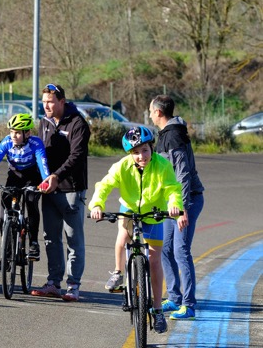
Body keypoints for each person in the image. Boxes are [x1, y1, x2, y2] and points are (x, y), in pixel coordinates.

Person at [89, 126, 188, 334]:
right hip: (129, 207)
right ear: (129, 154)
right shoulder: (122, 166)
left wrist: (174, 205)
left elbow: (172, 188)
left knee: (154, 260)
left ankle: (158, 311)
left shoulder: (162, 165)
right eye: (135, 152)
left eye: (144, 150)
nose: (141, 156)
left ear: (151, 147)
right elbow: (104, 185)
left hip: (154, 211)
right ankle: (117, 272)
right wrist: (97, 205)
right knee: (123, 236)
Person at [32, 84, 90, 301]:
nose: (46, 106)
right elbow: (40, 153)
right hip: (49, 189)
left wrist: (57, 176)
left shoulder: (77, 123)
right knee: (50, 237)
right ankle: (53, 282)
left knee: (73, 239)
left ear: (62, 102)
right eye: (44, 101)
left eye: (51, 102)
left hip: (71, 189)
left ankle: (73, 285)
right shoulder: (44, 122)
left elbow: (76, 157)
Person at [150, 95, 204, 320]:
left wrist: (182, 209)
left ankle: (189, 305)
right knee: (165, 248)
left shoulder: (173, 136)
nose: (150, 115)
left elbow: (182, 175)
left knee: (181, 251)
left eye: (151, 111)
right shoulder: (165, 135)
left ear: (159, 113)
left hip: (187, 200)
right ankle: (174, 297)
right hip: (172, 202)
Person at [0, 113, 49, 267]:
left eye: (18, 133)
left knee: (31, 201)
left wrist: (45, 181)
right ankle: (7, 252)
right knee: (5, 210)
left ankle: (33, 243)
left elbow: (42, 163)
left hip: (33, 177)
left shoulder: (36, 143)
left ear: (27, 133)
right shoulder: (6, 142)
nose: (14, 136)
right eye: (12, 132)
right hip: (14, 177)